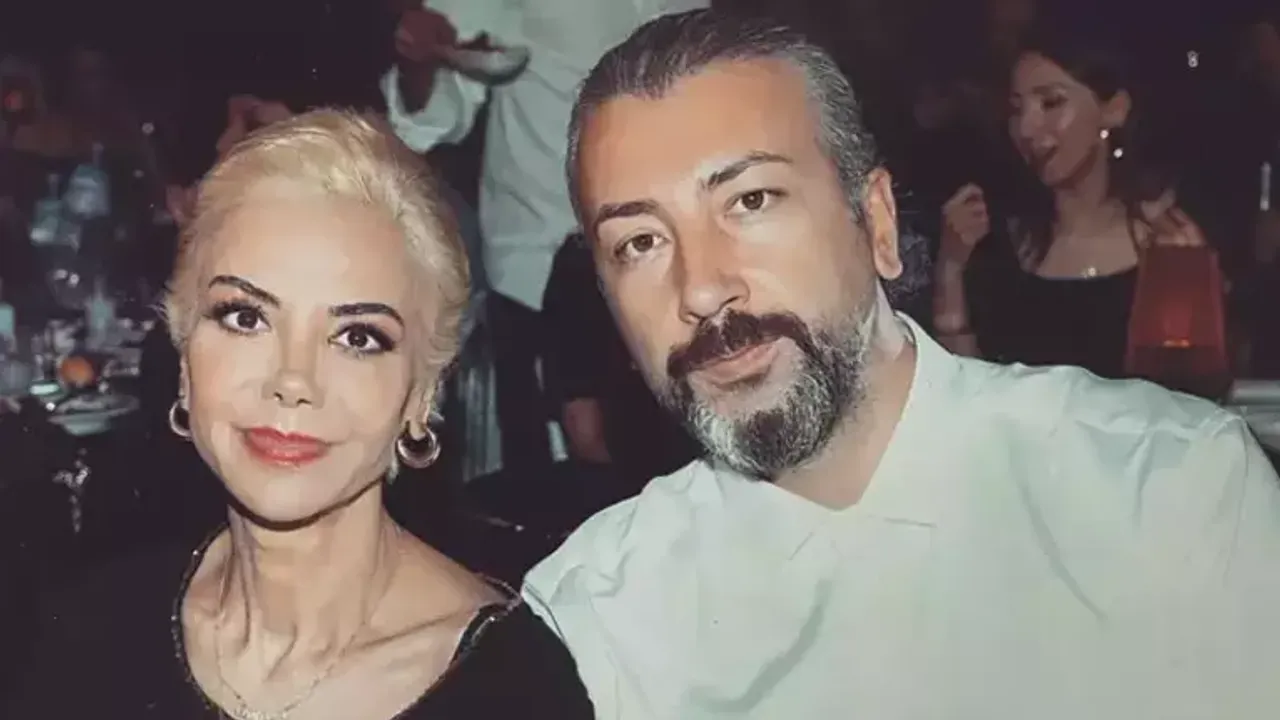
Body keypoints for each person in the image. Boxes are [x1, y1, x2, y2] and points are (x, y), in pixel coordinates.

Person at [522, 10, 1280, 718]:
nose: (701, 288)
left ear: (879, 223)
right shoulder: (598, 616)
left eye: (751, 201)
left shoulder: (1165, 491)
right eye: (640, 243)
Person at [6, 110, 593, 719]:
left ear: (423, 393)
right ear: (183, 358)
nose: (292, 381)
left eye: (358, 337)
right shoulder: (91, 631)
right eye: (246, 317)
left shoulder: (513, 692)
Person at [384, 0, 707, 471]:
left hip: (660, 273)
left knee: (670, 474)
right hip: (536, 269)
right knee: (554, 487)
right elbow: (430, 118)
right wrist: (419, 59)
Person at [931, 23, 1209, 380]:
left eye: (1051, 103)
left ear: (1114, 110)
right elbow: (969, 389)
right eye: (1016, 109)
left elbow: (1194, 392)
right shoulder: (1002, 242)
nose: (1026, 128)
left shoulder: (1163, 240)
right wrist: (950, 270)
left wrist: (1187, 283)